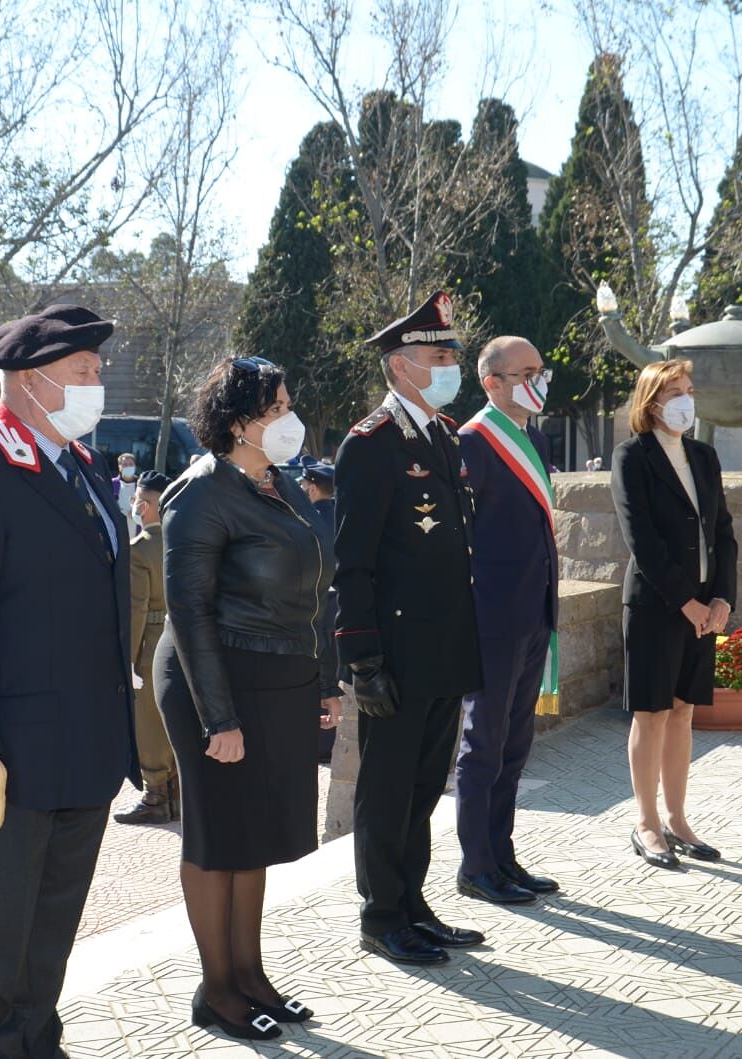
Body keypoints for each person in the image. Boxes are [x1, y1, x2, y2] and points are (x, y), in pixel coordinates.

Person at [0, 303, 137, 1059]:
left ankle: (42, 1041)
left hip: (87, 747)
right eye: (83, 372)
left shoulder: (79, 466)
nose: (96, 384)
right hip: (11, 760)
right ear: (31, 381)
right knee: (3, 936)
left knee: (54, 927)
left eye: (96, 371)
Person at [157, 356, 339, 1041]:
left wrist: (324, 681)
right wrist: (219, 717)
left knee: (255, 834)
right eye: (278, 407)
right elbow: (190, 612)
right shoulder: (198, 495)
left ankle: (250, 974)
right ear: (239, 423)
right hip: (218, 679)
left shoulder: (281, 484)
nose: (291, 418)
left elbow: (317, 586)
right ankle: (217, 988)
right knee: (218, 836)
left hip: (281, 678)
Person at [334, 290, 484, 967]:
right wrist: (362, 659)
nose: (450, 362)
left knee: (424, 788)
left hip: (444, 644)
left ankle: (413, 902)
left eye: (451, 351)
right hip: (395, 653)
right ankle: (381, 913)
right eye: (437, 354)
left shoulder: (444, 435)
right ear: (399, 367)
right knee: (387, 790)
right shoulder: (371, 444)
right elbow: (354, 562)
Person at [610, 358, 737, 869]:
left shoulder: (704, 457)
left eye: (689, 389)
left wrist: (722, 598)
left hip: (705, 608)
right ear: (652, 403)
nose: (685, 400)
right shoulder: (631, 457)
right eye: (675, 392)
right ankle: (646, 823)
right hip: (657, 606)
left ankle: (678, 820)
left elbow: (723, 531)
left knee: (684, 712)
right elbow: (642, 539)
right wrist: (688, 603)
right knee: (652, 712)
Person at [453, 336, 562, 904]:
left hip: (533, 611)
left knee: (516, 742)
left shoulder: (536, 441)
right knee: (484, 742)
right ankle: (475, 864)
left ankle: (503, 854)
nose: (537, 380)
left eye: (540, 370)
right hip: (491, 617)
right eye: (526, 371)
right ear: (492, 382)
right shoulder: (472, 443)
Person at [114, 470, 178, 826]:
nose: (136, 505)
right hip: (184, 639)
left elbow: (136, 609)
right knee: (175, 719)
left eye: (139, 499)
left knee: (148, 722)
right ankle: (177, 793)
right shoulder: (184, 540)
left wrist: (126, 658)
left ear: (149, 504)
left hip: (152, 642)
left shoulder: (140, 549)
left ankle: (156, 795)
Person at [300, 461, 340, 761]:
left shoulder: (306, 518)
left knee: (316, 663)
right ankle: (329, 739)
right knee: (334, 665)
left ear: (312, 488)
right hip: (340, 603)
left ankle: (316, 740)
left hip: (315, 601)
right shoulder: (344, 514)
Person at [112, 452, 138, 525]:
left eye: (131, 464)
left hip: (136, 526)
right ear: (119, 467)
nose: (128, 467)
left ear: (135, 466)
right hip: (118, 524)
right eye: (125, 465)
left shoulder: (141, 485)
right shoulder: (112, 484)